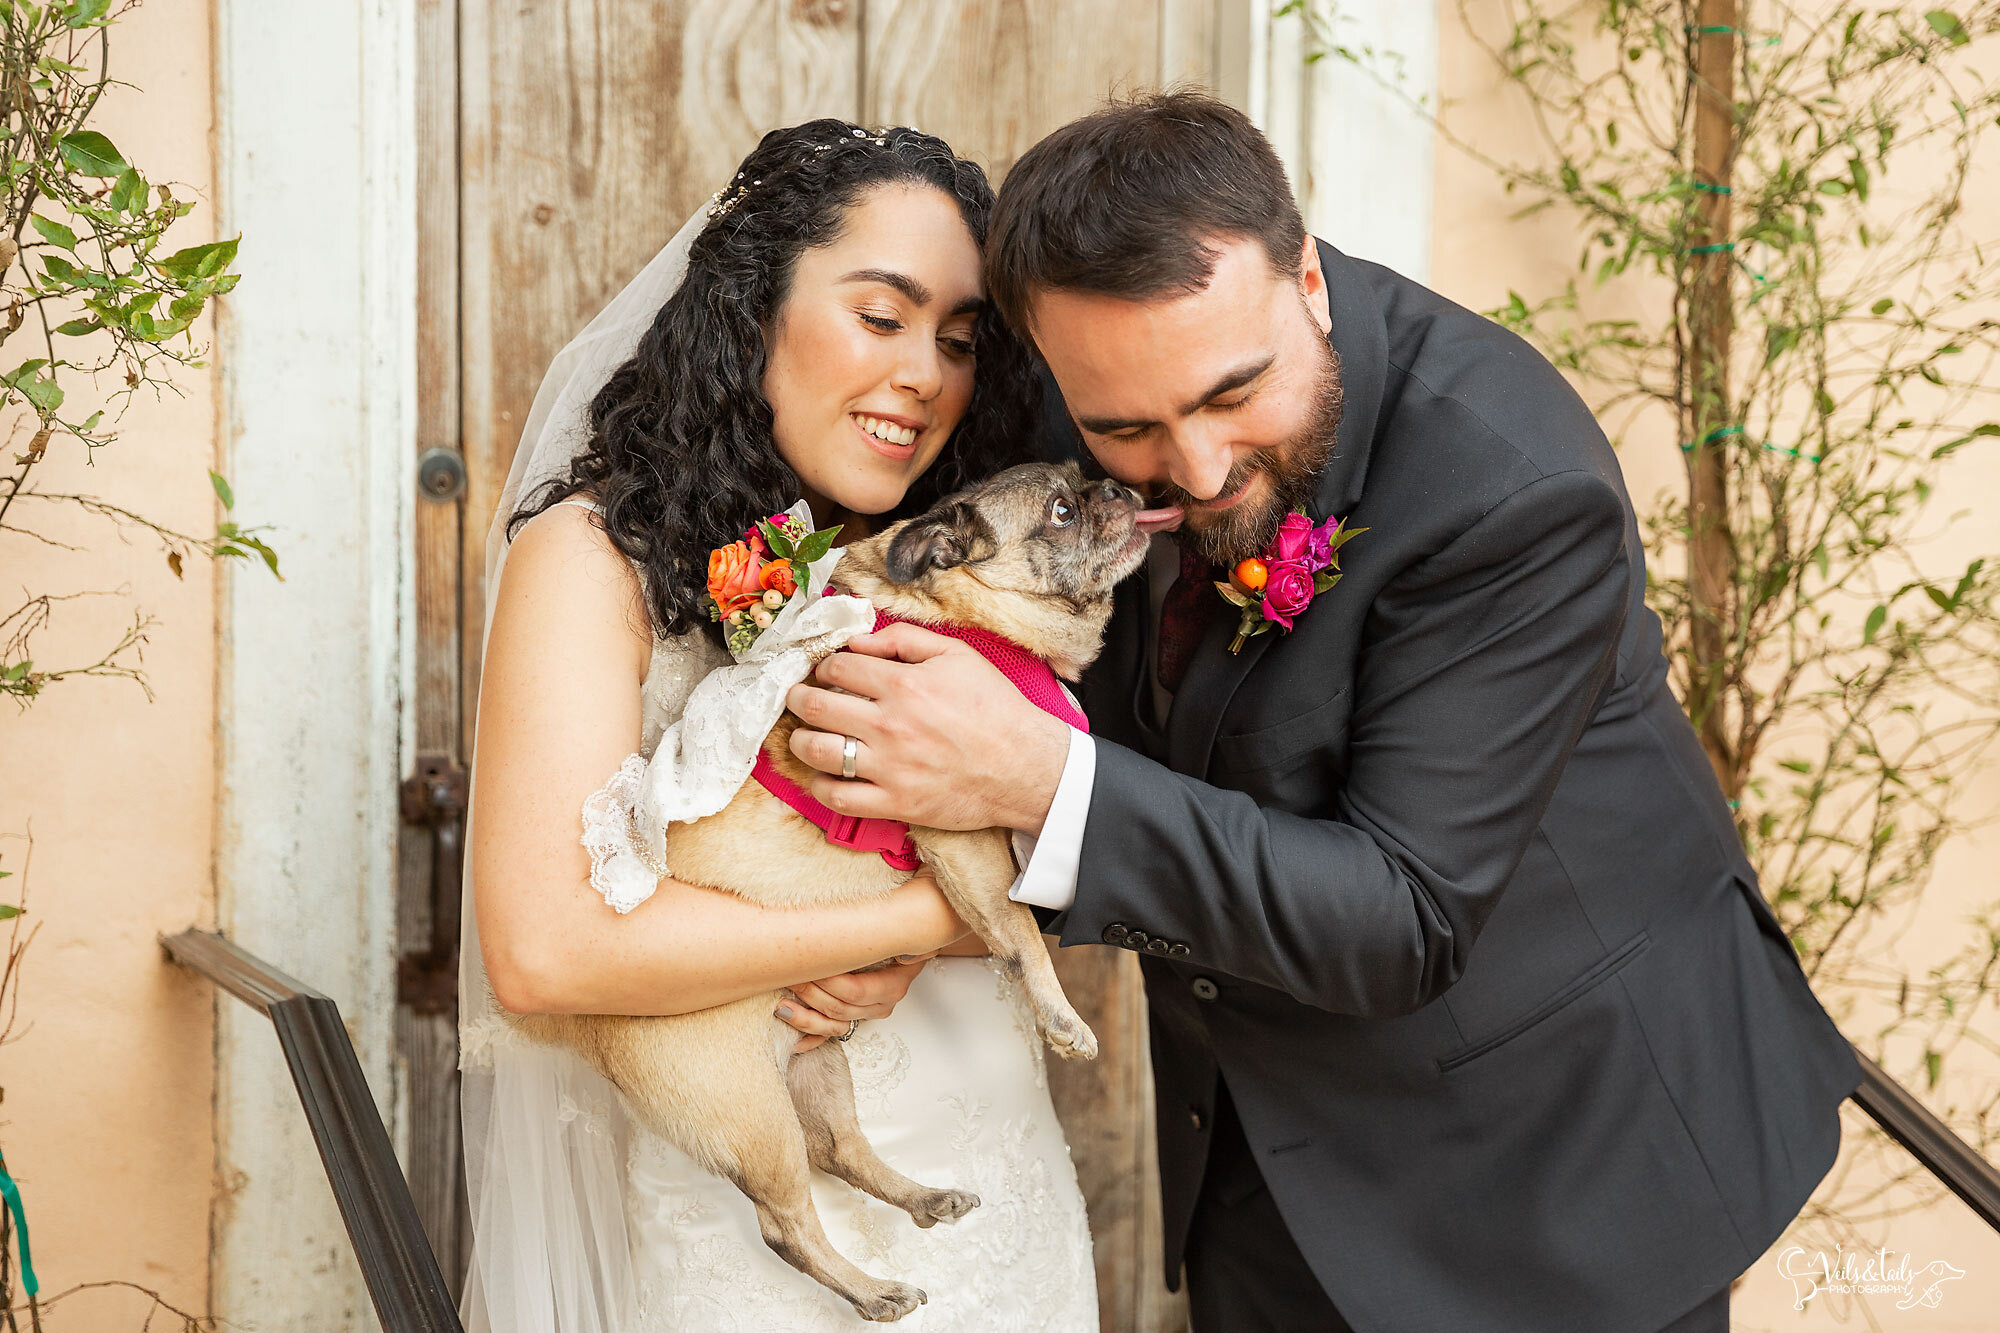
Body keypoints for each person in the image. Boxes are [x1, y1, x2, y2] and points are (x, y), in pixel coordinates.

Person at [782, 90, 1865, 1332]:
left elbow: (1402, 913)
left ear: (1304, 277)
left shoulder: (1509, 492)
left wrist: (1035, 780)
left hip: (1564, 1182)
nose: (1189, 472)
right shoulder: (1087, 376)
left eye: (1233, 395)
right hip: (1266, 1171)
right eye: (1124, 427)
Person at [459, 121, 1097, 1332]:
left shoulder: (976, 561)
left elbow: (1080, 823)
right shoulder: (591, 563)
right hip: (744, 1214)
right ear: (753, 311)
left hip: (994, 1178)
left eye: (960, 342)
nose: (925, 375)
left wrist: (963, 919)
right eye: (880, 315)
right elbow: (544, 951)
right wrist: (927, 917)